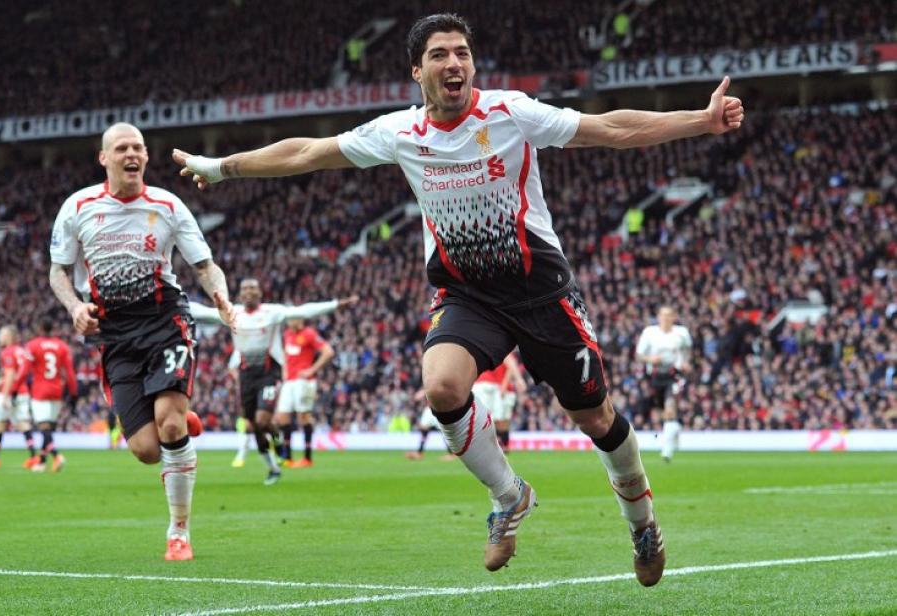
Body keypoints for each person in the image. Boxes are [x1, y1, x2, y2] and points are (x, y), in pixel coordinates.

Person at [173, 13, 744, 583]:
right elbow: (307, 153)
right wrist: (224, 168)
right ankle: (509, 495)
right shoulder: (400, 132)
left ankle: (641, 520)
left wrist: (701, 120)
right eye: (441, 54)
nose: (456, 63)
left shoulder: (510, 113)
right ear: (416, 70)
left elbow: (610, 128)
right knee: (442, 387)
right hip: (466, 293)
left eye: (463, 53)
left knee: (595, 417)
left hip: (541, 290)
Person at [50, 122, 236, 561]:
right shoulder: (78, 207)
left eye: (138, 147)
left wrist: (221, 298)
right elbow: (58, 271)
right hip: (113, 334)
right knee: (147, 451)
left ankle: (179, 532)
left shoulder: (168, 206)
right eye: (121, 148)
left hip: (165, 321)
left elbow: (204, 264)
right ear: (104, 158)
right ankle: (181, 423)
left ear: (146, 157)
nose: (131, 154)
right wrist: (75, 307)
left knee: (169, 426)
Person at [191, 278, 357, 484]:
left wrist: (336, 304)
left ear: (260, 293)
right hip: (246, 375)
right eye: (245, 289)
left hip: (269, 373)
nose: (249, 292)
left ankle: (279, 443)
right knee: (253, 426)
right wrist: (172, 301)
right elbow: (200, 311)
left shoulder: (272, 312)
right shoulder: (232, 312)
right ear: (240, 295)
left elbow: (303, 311)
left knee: (262, 420)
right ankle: (273, 468)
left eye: (253, 288)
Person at [13, 319, 78, 472]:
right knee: (48, 428)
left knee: (43, 427)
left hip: (40, 390)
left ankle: (56, 456)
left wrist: (15, 388)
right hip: (56, 390)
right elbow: (69, 373)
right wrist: (74, 393)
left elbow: (24, 370)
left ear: (40, 328)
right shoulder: (62, 346)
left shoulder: (33, 345)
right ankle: (42, 462)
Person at [0, 325, 39, 469]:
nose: (0, 337)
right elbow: (14, 375)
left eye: (2, 334)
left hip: (9, 392)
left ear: (9, 337)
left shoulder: (8, 352)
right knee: (23, 424)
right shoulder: (22, 351)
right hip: (22, 392)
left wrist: (4, 395)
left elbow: (10, 375)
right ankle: (34, 457)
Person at [635, 306, 692, 462]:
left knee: (669, 406)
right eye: (663, 315)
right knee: (664, 412)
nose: (666, 319)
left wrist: (686, 362)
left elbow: (687, 351)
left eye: (669, 315)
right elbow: (639, 355)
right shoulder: (649, 332)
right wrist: (650, 359)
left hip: (675, 375)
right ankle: (674, 429)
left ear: (674, 317)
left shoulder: (682, 333)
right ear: (658, 317)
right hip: (655, 376)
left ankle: (666, 450)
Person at [276, 318, 334, 468]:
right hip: (289, 380)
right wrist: (284, 371)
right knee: (282, 417)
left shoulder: (309, 334)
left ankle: (307, 458)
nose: (288, 322)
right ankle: (287, 457)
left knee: (303, 416)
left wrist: (312, 370)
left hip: (304, 381)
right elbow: (285, 354)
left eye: (291, 319)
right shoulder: (287, 334)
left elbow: (328, 352)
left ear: (300, 319)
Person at [473, 352, 526, 453]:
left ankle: (496, 446)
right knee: (498, 419)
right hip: (493, 386)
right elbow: (511, 363)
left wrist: (506, 384)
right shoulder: (502, 345)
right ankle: (500, 446)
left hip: (488, 386)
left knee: (493, 419)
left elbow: (510, 363)